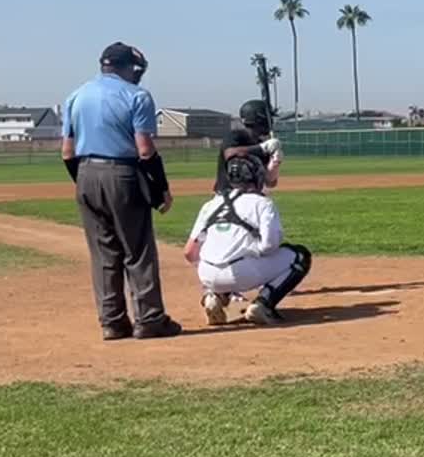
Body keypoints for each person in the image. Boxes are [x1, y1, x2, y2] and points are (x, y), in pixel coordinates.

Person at [61, 41, 181, 340]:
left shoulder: (76, 95)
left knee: (104, 254)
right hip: (123, 173)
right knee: (138, 250)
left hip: (85, 173)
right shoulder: (136, 95)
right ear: (127, 67)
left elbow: (67, 151)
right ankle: (149, 319)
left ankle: (112, 322)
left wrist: (86, 183)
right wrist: (161, 188)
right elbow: (144, 149)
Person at [185, 153, 312, 327]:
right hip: (244, 273)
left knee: (217, 255)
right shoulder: (262, 203)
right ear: (255, 177)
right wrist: (252, 250)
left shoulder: (210, 204)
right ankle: (263, 304)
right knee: (300, 255)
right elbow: (269, 245)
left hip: (207, 275)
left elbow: (190, 253)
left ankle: (212, 296)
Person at [214, 99, 282, 194]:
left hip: (252, 196)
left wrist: (274, 165)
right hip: (227, 195)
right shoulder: (236, 135)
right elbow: (229, 153)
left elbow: (270, 183)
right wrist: (262, 148)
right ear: (259, 119)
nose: (270, 122)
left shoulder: (261, 143)